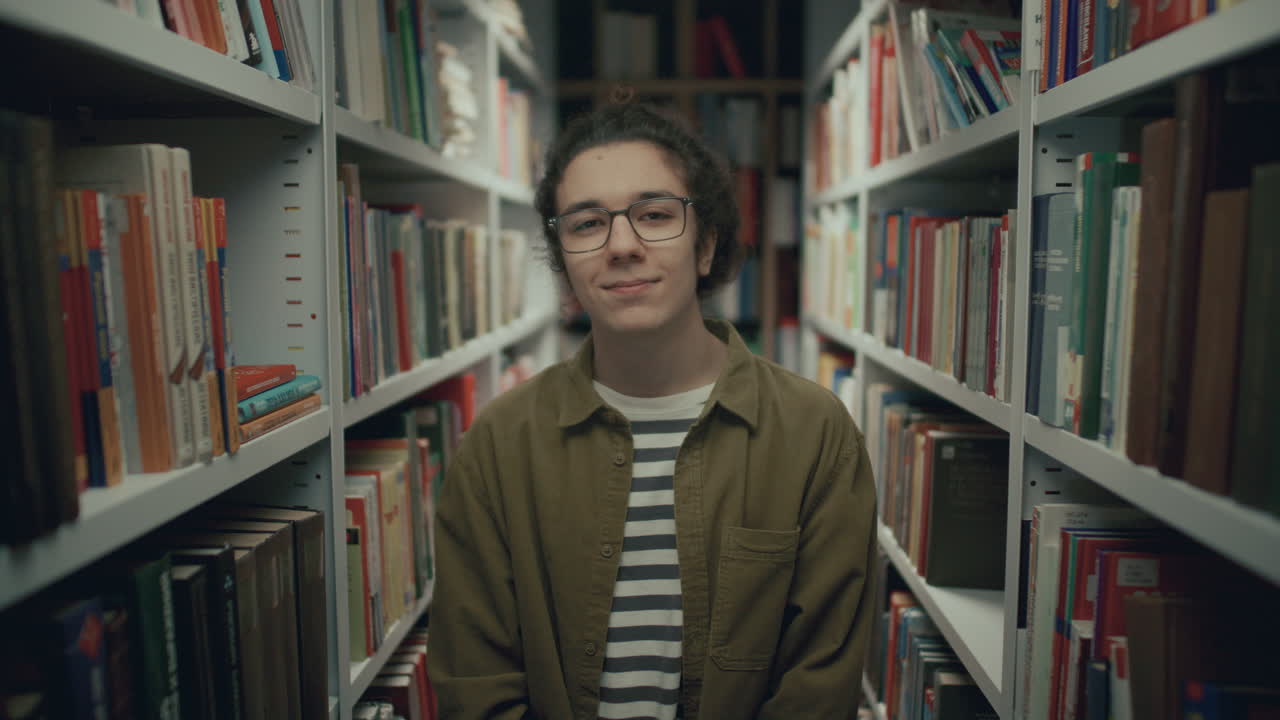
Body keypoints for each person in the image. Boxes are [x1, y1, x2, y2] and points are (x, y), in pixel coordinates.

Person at [430, 103, 878, 719]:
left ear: (705, 246)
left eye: (655, 215)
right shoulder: (498, 446)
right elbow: (475, 687)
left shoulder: (815, 433)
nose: (622, 246)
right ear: (565, 265)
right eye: (587, 225)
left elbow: (818, 689)